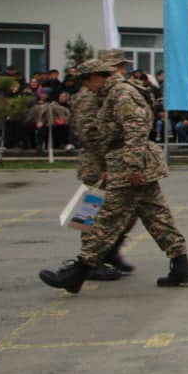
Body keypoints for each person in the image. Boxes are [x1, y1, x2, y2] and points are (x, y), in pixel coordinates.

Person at [39, 49, 188, 293]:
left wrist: (132, 165)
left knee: (107, 217)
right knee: (156, 215)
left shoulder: (119, 93)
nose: (85, 87)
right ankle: (181, 264)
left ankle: (79, 271)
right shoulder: (113, 92)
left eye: (85, 82)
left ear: (95, 77)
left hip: (128, 163)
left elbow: (134, 129)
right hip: (132, 161)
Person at [69, 58, 133, 281]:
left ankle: (108, 251)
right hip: (96, 162)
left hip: (107, 159)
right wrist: (107, 162)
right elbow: (90, 133)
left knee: (121, 210)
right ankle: (90, 261)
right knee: (92, 212)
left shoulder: (103, 93)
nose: (119, 73)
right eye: (117, 68)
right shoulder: (88, 98)